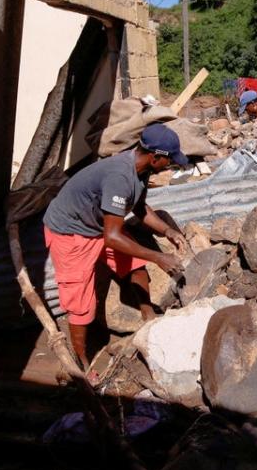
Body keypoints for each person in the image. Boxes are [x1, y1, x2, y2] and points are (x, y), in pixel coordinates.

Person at [43, 123, 188, 373]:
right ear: (156, 157)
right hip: (71, 232)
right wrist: (159, 257)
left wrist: (168, 230)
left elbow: (140, 209)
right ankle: (81, 366)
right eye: (170, 160)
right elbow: (112, 237)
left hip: (99, 226)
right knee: (80, 304)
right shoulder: (120, 177)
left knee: (136, 266)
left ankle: (148, 320)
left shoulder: (140, 170)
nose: (171, 165)